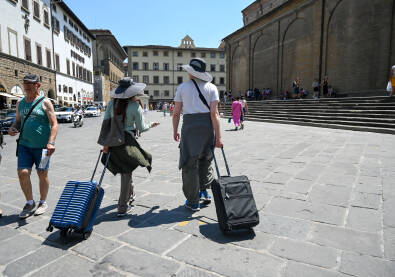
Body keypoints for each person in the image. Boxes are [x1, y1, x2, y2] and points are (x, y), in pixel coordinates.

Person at [98, 77, 159, 217]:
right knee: (127, 173)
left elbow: (106, 126)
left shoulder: (111, 104)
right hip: (127, 142)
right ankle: (122, 207)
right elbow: (142, 128)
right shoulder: (135, 106)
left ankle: (130, 196)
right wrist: (152, 124)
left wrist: (105, 145)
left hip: (113, 143)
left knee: (126, 170)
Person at [173, 58, 223, 212]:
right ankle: (204, 192)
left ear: (190, 72)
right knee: (205, 159)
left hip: (189, 127)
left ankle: (193, 201)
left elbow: (176, 114)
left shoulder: (182, 87)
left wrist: (175, 130)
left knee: (190, 163)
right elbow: (215, 114)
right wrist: (219, 137)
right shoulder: (212, 88)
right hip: (207, 127)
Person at [8, 74, 58, 218]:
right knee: (22, 173)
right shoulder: (20, 103)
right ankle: (30, 202)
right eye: (25, 85)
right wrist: (12, 128)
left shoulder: (46, 102)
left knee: (42, 173)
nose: (27, 87)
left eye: (30, 85)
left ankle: (43, 202)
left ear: (38, 85)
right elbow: (17, 121)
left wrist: (51, 142)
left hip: (43, 147)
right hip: (24, 145)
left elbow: (54, 124)